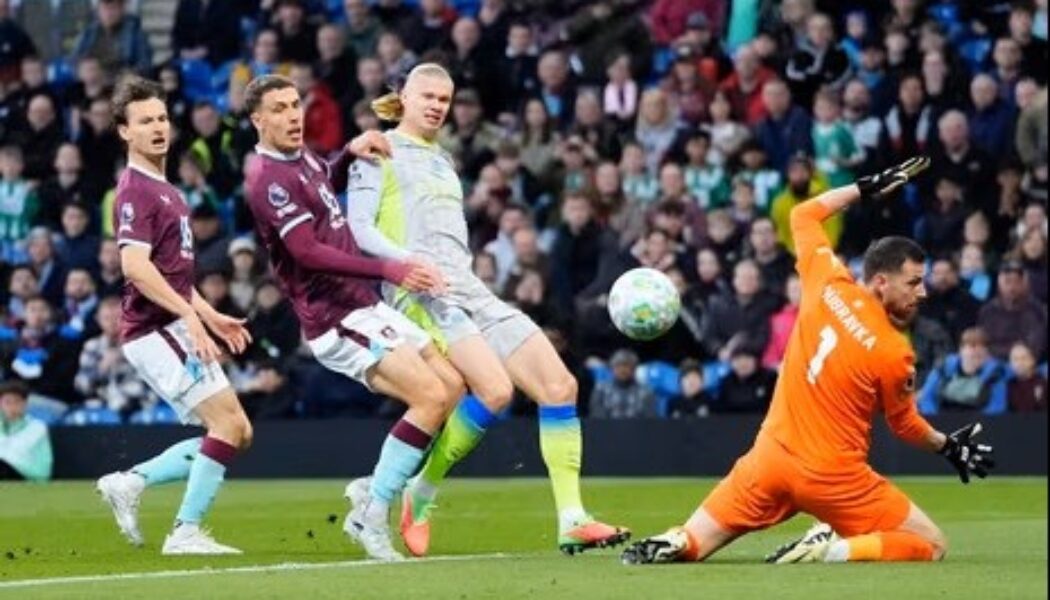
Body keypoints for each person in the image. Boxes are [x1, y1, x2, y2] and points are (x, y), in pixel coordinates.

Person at [621, 157, 996, 566]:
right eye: (913, 282)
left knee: (696, 541)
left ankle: (675, 539)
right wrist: (947, 447)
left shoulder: (826, 282)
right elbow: (903, 425)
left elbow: (804, 215)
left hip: (768, 459)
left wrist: (863, 189)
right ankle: (830, 548)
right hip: (833, 477)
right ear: (881, 281)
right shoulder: (894, 350)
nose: (921, 293)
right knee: (930, 544)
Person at [349, 63, 630, 558]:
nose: (437, 105)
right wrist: (404, 265)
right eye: (428, 96)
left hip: (469, 287)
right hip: (420, 293)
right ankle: (422, 491)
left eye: (445, 98)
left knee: (560, 386)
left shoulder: (444, 161)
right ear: (403, 97)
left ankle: (571, 519)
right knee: (495, 390)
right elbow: (358, 230)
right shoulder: (376, 150)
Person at [242, 74, 461, 562]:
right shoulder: (267, 180)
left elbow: (323, 188)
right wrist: (390, 268)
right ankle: (372, 511)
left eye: (296, 104)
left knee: (451, 388)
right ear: (258, 120)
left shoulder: (302, 158)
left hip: (364, 304)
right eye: (278, 109)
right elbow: (308, 252)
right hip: (334, 315)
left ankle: (375, 486)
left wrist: (346, 154)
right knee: (427, 396)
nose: (293, 115)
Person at [94, 76, 253, 556]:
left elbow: (174, 275)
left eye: (161, 118)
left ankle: (132, 481)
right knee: (227, 426)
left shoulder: (169, 191)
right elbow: (134, 268)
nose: (158, 127)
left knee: (237, 431)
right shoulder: (135, 190)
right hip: (153, 330)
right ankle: (184, 531)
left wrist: (210, 313)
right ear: (125, 131)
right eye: (144, 121)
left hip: (172, 322)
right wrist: (191, 318)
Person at [0, 381, 52, 482]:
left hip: (23, 474)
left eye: (17, 402)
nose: (12, 407)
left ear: (25, 404)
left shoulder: (37, 428)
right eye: (7, 402)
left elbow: (43, 464)